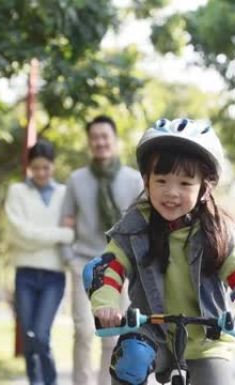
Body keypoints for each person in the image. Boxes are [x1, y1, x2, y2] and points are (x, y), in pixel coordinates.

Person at [84, 118, 235, 385]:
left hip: (206, 338)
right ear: (146, 181)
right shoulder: (134, 228)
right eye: (161, 180)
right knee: (131, 359)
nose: (171, 192)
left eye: (185, 183)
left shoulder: (219, 233)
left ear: (205, 187)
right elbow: (109, 268)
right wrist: (106, 306)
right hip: (149, 333)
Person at [60, 115, 144, 385]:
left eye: (105, 136)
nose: (100, 142)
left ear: (115, 140)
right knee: (84, 331)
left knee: (114, 332)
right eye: (94, 137)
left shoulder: (134, 180)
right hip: (84, 261)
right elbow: (67, 219)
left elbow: (144, 223)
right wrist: (67, 255)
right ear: (89, 142)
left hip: (122, 266)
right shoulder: (76, 179)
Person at [4, 139, 74, 385]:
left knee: (41, 335)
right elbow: (18, 234)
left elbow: (32, 235)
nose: (41, 173)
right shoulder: (17, 192)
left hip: (54, 276)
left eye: (46, 167)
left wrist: (35, 235)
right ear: (29, 167)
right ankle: (35, 382)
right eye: (36, 168)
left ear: (53, 167)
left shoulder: (65, 194)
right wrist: (60, 234)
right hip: (25, 274)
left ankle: (50, 381)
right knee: (29, 335)